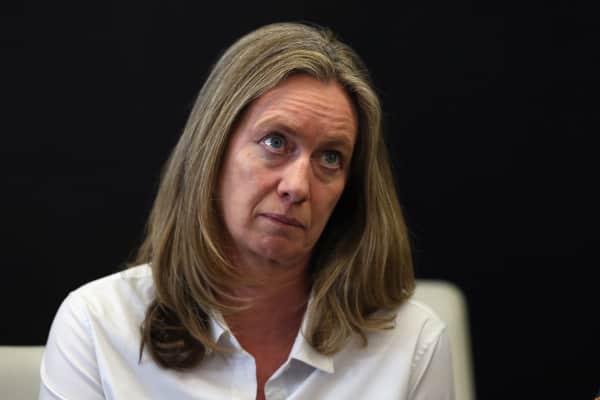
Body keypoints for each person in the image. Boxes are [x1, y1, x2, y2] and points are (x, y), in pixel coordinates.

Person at [40, 22, 454, 399]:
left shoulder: (412, 345)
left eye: (330, 158)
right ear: (212, 152)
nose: (297, 186)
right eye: (276, 142)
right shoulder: (99, 325)